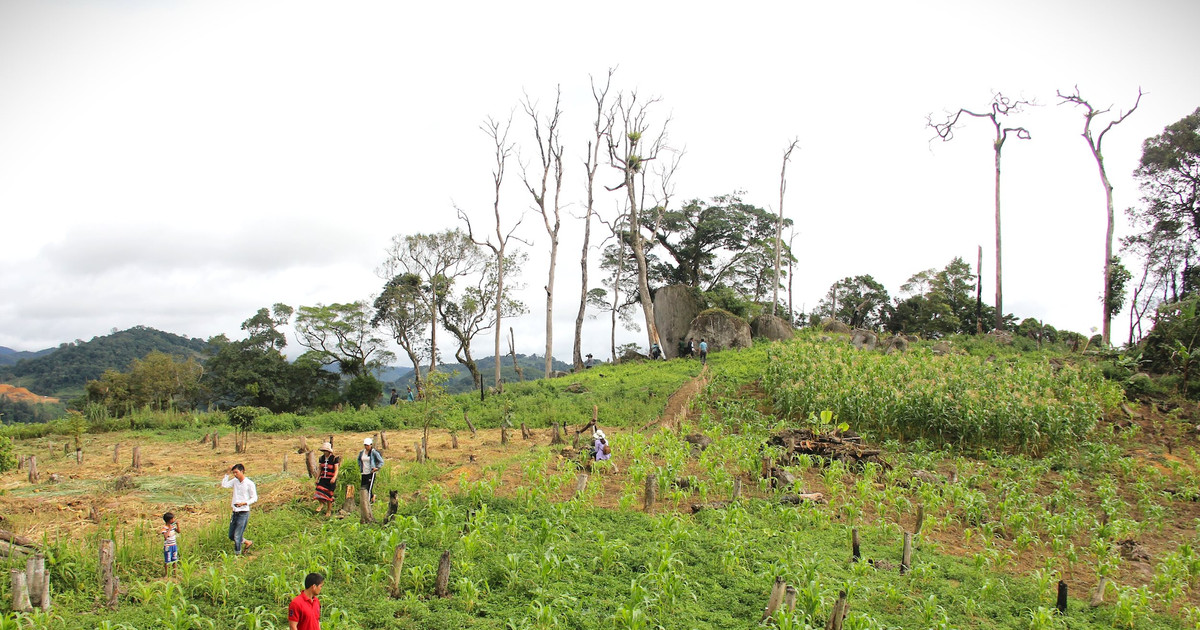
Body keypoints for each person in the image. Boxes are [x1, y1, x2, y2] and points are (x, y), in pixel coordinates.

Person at [221, 463, 257, 554]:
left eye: (236, 472)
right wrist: (227, 473)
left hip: (243, 512)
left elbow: (254, 498)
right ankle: (247, 542)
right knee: (231, 536)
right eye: (233, 473)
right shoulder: (235, 481)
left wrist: (245, 503)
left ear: (242, 471)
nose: (235, 475)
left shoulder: (249, 483)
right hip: (235, 511)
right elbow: (224, 485)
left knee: (237, 535)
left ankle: (237, 555)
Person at [313, 442, 340, 516]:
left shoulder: (334, 458)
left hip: (330, 480)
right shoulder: (321, 458)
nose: (324, 452)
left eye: (326, 451)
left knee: (329, 496)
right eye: (323, 451)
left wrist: (334, 477)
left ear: (329, 451)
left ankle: (329, 510)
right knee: (318, 491)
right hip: (323, 478)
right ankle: (321, 504)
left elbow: (336, 469)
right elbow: (319, 469)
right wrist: (317, 478)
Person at [357, 438, 384, 502]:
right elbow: (359, 459)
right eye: (365, 445)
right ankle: (372, 497)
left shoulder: (374, 452)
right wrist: (359, 466)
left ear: (371, 445)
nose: (367, 447)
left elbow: (381, 462)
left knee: (369, 488)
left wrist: (376, 468)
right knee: (363, 487)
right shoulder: (362, 452)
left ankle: (368, 502)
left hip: (371, 473)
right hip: (363, 472)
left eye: (368, 445)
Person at [159, 511, 180, 578]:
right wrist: (169, 529)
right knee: (167, 561)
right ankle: (166, 574)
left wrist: (177, 525)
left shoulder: (173, 526)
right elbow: (165, 537)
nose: (174, 520)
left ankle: (175, 573)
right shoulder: (164, 528)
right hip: (168, 546)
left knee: (174, 560)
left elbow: (179, 531)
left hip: (174, 545)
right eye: (173, 519)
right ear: (170, 520)